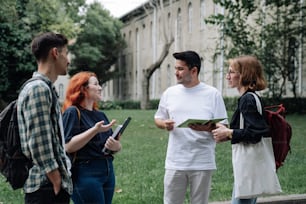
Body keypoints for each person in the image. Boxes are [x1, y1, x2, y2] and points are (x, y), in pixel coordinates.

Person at [154, 50, 228, 204]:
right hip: (175, 161)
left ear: (194, 71)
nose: (176, 73)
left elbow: (223, 128)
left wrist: (208, 128)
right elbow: (158, 118)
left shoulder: (212, 94)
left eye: (180, 69)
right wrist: (164, 124)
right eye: (175, 68)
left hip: (202, 161)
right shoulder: (170, 93)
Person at [17, 32, 73, 203]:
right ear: (55, 53)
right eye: (66, 53)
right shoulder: (39, 89)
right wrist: (56, 179)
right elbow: (39, 141)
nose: (68, 60)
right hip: (45, 187)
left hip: (48, 186)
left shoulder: (44, 88)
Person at [212, 55, 270, 204]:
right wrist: (226, 131)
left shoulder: (247, 99)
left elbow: (256, 132)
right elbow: (250, 128)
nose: (227, 76)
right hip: (251, 164)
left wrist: (229, 132)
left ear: (244, 75)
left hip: (248, 166)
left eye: (231, 72)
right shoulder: (252, 97)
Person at [61, 71, 121, 204]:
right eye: (96, 84)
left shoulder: (100, 115)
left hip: (107, 171)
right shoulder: (72, 112)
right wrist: (94, 130)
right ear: (83, 89)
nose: (100, 88)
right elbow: (68, 146)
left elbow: (114, 146)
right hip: (85, 174)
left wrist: (116, 146)